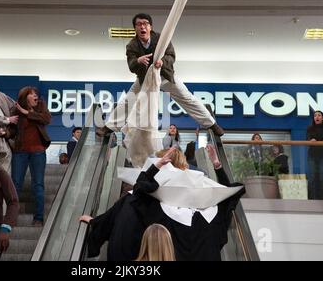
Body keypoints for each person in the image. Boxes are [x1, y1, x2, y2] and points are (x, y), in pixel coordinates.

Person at [80, 145, 244, 261]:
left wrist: (95, 222)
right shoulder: (208, 209)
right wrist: (217, 166)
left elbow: (139, 189)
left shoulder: (154, 206)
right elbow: (228, 196)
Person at [96, 13, 224, 138]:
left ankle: (211, 124)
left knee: (187, 98)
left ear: (150, 27)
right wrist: (138, 61)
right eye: (139, 24)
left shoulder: (162, 39)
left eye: (145, 24)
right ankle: (109, 127)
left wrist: (162, 62)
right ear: (135, 28)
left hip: (164, 76)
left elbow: (171, 55)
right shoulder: (132, 45)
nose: (142, 27)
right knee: (129, 100)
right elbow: (131, 66)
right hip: (145, 78)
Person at [10, 86, 51, 226]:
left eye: (36, 94)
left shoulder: (40, 107)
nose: (36, 96)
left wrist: (27, 112)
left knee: (38, 184)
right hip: (20, 151)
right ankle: (11, 217)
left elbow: (46, 119)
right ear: (25, 96)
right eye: (32, 94)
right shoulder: (16, 109)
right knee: (15, 184)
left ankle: (38, 218)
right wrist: (4, 132)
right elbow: (12, 130)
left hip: (38, 151)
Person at [306, 110, 323, 200]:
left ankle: (322, 200)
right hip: (312, 155)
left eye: (319, 115)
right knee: (312, 177)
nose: (317, 117)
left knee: (321, 178)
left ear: (322, 118)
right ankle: (311, 200)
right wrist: (311, 140)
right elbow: (308, 139)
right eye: (315, 115)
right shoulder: (310, 128)